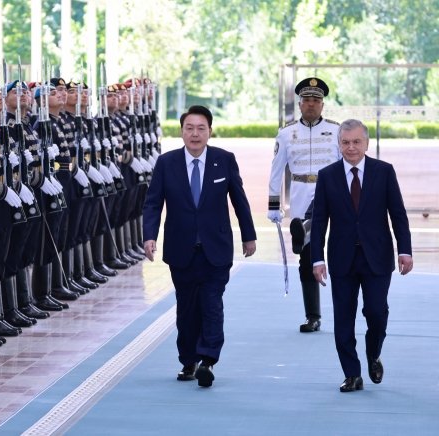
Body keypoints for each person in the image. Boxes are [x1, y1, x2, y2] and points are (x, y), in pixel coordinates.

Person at [142, 105, 256, 388]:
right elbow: (153, 203)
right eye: (189, 128)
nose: (195, 134)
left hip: (215, 249)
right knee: (186, 308)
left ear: (209, 131)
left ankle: (208, 360)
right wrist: (149, 236)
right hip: (181, 249)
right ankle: (188, 361)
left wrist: (249, 235)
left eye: (201, 128)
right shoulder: (167, 163)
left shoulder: (224, 160)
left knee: (212, 305)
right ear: (181, 131)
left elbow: (239, 201)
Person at [310, 119, 413, 392]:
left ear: (366, 143)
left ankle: (372, 351)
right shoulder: (327, 175)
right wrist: (317, 259)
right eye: (345, 142)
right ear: (339, 143)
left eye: (356, 142)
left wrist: (405, 250)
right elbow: (319, 221)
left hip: (377, 256)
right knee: (343, 318)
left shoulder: (384, 171)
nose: (351, 147)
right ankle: (352, 373)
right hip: (342, 258)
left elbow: (398, 214)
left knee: (376, 312)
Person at [267, 77, 341, 333]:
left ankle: (307, 230)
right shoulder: (286, 134)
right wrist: (274, 205)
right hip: (300, 191)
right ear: (300, 104)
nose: (311, 105)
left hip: (331, 192)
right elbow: (276, 172)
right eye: (307, 100)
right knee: (307, 257)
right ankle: (313, 315)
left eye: (316, 101)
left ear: (322, 105)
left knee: (339, 249)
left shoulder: (336, 131)